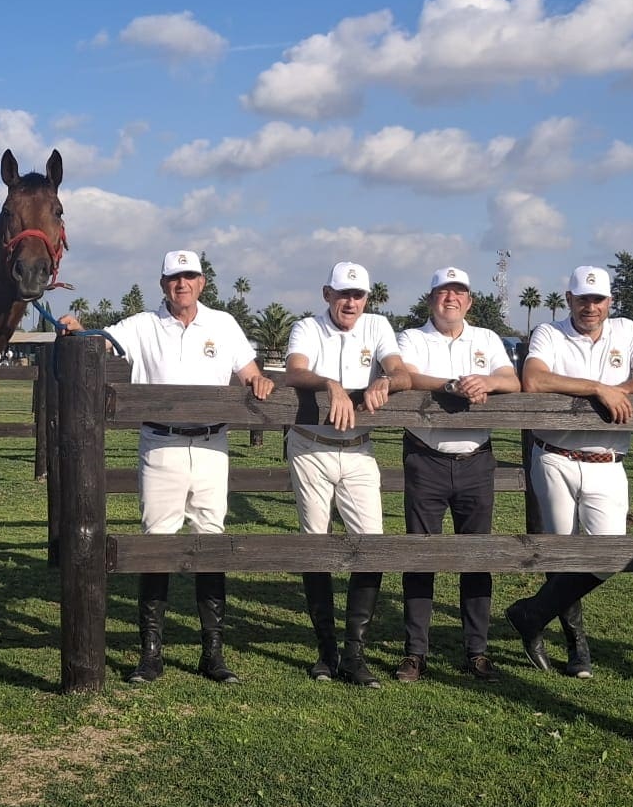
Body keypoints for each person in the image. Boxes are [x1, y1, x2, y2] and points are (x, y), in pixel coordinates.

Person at [61, 251, 273, 685]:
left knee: (211, 545)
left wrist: (257, 379)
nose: (182, 285)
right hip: (161, 445)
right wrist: (79, 331)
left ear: (202, 283)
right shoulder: (141, 325)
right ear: (163, 284)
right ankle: (151, 653)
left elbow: (248, 369)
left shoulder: (224, 325)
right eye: (175, 278)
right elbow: (100, 341)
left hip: (213, 445)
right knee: (155, 545)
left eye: (190, 277)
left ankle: (212, 653)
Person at [507, 264, 633, 678]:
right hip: (555, 456)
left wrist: (622, 391)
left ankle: (532, 614)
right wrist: (599, 388)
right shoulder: (549, 332)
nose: (590, 307)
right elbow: (535, 381)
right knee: (562, 555)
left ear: (609, 302)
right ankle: (578, 645)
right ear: (569, 300)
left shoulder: (626, 331)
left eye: (597, 299)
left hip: (607, 461)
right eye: (582, 299)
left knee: (608, 554)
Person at [278, 261, 408, 687]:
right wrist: (331, 384)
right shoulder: (307, 327)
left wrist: (386, 380)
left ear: (367, 298)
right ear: (327, 294)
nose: (350, 302)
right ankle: (325, 650)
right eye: (342, 294)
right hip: (310, 445)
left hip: (357, 448)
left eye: (358, 295)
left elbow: (400, 370)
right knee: (315, 544)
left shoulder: (378, 326)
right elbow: (294, 371)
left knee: (370, 544)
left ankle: (354, 652)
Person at [391, 266, 520, 682]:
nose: (451, 298)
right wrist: (451, 384)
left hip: (476, 458)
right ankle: (415, 651)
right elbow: (406, 376)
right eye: (443, 292)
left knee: (477, 557)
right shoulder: (412, 337)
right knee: (419, 554)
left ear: (469, 300)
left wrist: (487, 382)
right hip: (425, 456)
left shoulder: (486, 339)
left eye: (458, 292)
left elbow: (511, 379)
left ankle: (477, 650)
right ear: (430, 299)